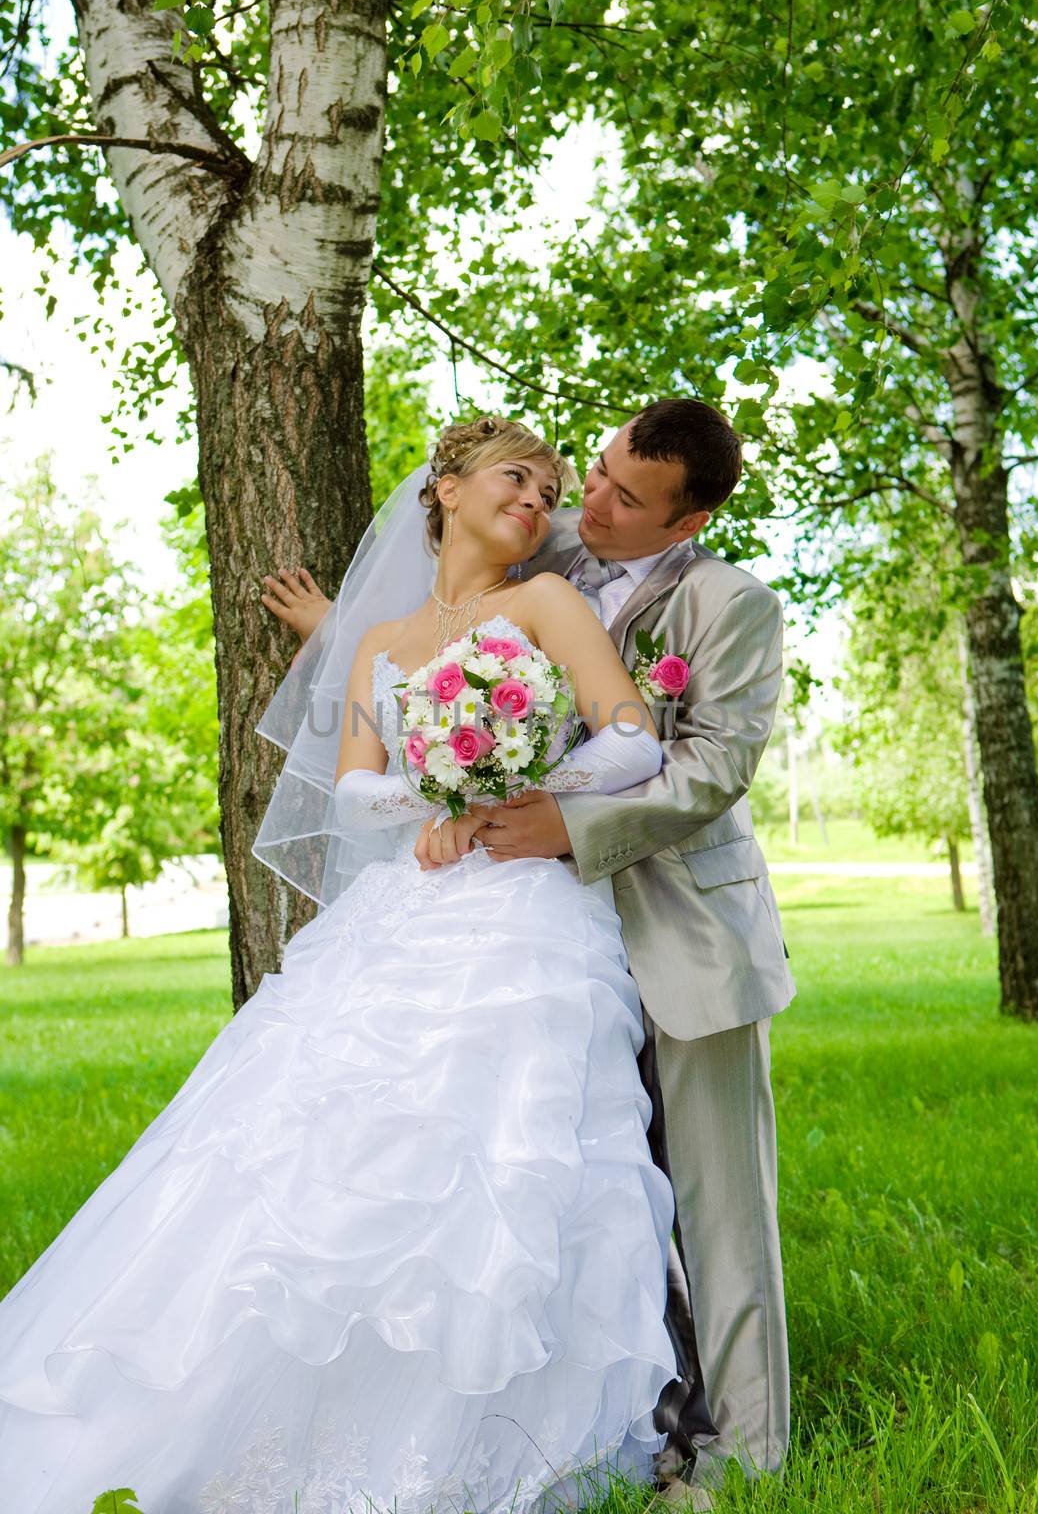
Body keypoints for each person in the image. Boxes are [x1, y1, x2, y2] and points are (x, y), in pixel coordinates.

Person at [0, 415, 691, 1514]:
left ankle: (487, 1425)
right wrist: (439, 796)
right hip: (405, 910)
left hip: (523, 912)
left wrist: (515, 798)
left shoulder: (546, 605)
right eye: (519, 477)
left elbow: (629, 736)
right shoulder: (379, 644)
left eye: (553, 488)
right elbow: (359, 782)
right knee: (314, 1150)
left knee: (504, 1151)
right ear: (447, 488)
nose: (541, 500)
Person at [267, 399, 795, 1504]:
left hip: (677, 918)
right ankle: (617, 1420)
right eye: (590, 475)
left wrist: (565, 821)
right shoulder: (547, 544)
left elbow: (708, 771)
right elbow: (440, 642)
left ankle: (743, 1452)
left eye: (622, 498)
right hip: (528, 922)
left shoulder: (727, 604)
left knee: (713, 1201)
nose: (587, 504)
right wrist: (339, 636)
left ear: (686, 517)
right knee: (576, 1184)